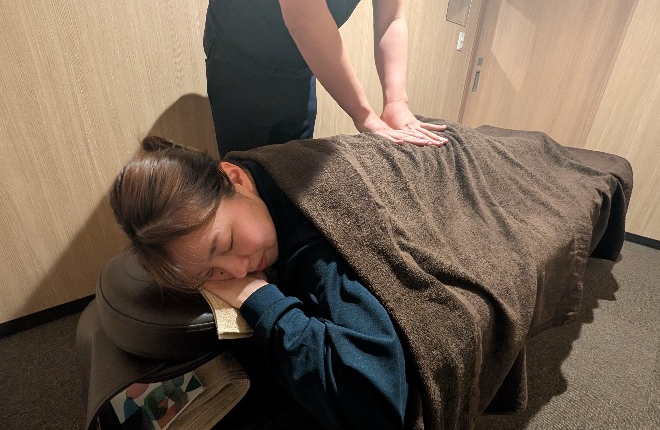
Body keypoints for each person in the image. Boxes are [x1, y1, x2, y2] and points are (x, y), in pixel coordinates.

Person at [110, 122, 630, 428]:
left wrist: (259, 298)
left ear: (235, 175)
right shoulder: (257, 191)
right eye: (211, 272)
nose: (237, 270)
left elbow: (376, 400)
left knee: (529, 159)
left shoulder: (317, 243)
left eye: (225, 245)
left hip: (472, 164)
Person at [203, 0, 447, 154]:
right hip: (240, 51)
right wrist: (365, 116)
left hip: (299, 59)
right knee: (247, 174)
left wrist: (396, 103)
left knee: (293, 165)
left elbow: (391, 18)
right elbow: (305, 18)